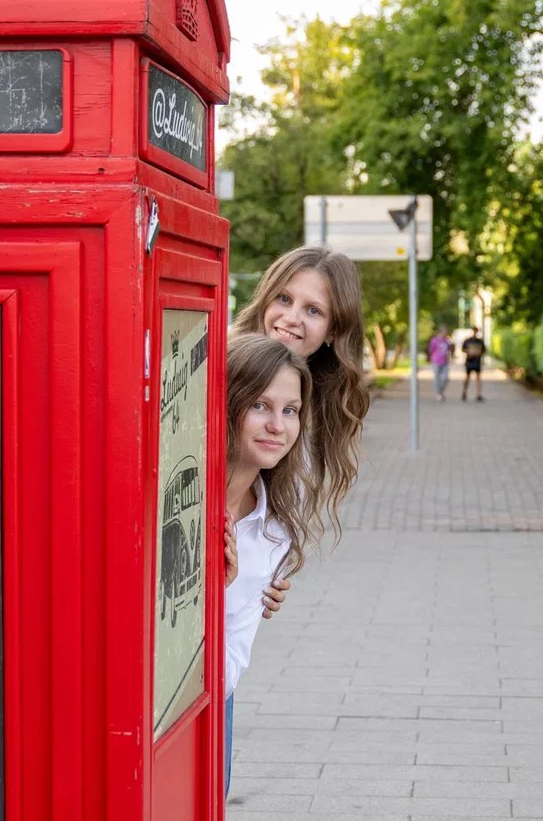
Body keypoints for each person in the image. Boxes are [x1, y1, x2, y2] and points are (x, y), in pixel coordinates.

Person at [223, 333, 318, 796]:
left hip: (203, 710)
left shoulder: (272, 531)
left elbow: (231, 665)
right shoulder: (168, 502)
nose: (277, 426)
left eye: (290, 410)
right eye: (260, 405)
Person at [232, 245, 370, 529]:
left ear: (333, 330)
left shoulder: (320, 406)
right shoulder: (218, 366)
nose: (292, 318)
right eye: (284, 298)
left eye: (313, 310)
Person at [427, 324, 453, 401]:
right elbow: (430, 350)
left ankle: (440, 391)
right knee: (437, 378)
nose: (446, 333)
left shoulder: (446, 340)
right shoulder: (434, 340)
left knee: (446, 378)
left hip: (445, 361)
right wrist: (431, 358)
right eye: (445, 331)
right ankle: (438, 394)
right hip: (436, 361)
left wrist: (449, 357)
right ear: (441, 331)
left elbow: (449, 349)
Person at [461, 326, 486, 401]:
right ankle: (464, 392)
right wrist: (469, 352)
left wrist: (479, 353)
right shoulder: (467, 341)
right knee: (467, 377)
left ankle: (478, 394)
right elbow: (463, 349)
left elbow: (484, 350)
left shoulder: (480, 341)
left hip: (477, 361)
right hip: (469, 361)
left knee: (478, 378)